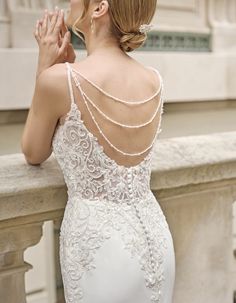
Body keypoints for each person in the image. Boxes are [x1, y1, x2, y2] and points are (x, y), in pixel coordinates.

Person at [21, 0, 175, 302]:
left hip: (100, 251)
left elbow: (33, 152)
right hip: (156, 241)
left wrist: (45, 69)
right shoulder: (153, 81)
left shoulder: (58, 81)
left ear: (99, 7)